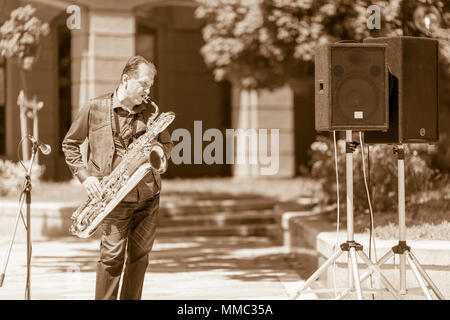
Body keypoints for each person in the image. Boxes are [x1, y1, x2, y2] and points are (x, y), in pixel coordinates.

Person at [62, 55, 173, 300]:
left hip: (147, 197)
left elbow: (166, 145)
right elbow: (70, 144)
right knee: (111, 259)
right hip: (112, 197)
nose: (148, 89)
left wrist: (158, 152)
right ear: (126, 79)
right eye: (144, 83)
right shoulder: (95, 107)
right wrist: (85, 177)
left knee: (139, 258)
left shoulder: (152, 113)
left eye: (150, 84)